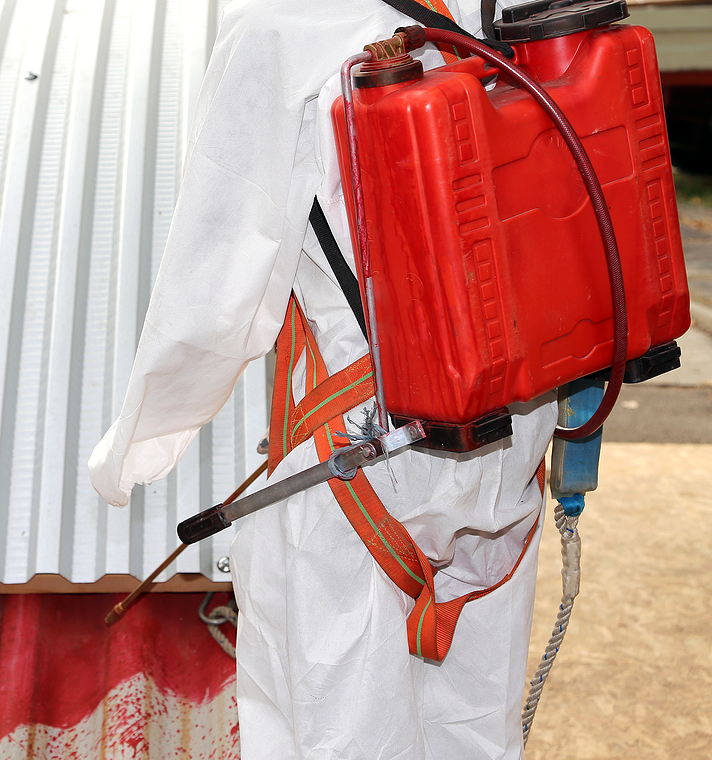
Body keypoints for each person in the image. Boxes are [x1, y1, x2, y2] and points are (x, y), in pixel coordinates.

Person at [89, 1, 557, 757]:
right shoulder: (523, 7)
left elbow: (213, 286)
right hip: (509, 445)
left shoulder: (284, 23)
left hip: (362, 460)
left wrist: (134, 449)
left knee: (333, 733)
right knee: (474, 730)